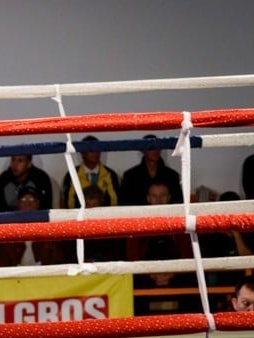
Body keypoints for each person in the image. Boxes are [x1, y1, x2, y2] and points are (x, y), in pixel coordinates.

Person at [126, 181, 194, 314]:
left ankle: (188, 323)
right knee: (132, 282)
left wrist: (172, 274)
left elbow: (187, 255)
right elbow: (131, 257)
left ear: (169, 198)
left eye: (162, 196)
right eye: (154, 196)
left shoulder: (180, 222)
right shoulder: (137, 223)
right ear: (148, 199)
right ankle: (141, 326)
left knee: (192, 280)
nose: (158, 200)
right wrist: (151, 274)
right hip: (146, 273)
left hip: (175, 272)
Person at [0, 185, 66, 266]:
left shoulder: (49, 231)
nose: (27, 203)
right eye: (23, 199)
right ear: (18, 203)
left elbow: (58, 262)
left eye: (32, 199)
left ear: (38, 203)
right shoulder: (9, 231)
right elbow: (2, 265)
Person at [119, 134, 183, 205]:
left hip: (166, 214)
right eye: (151, 148)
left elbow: (178, 203)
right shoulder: (130, 176)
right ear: (143, 150)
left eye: (158, 147)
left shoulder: (172, 176)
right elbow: (124, 204)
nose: (155, 151)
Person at [61, 135, 121, 208]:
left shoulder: (110, 174)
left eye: (98, 150)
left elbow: (117, 201)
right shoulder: (72, 174)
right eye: (92, 150)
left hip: (105, 217)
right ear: (83, 153)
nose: (96, 153)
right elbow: (67, 202)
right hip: (80, 217)